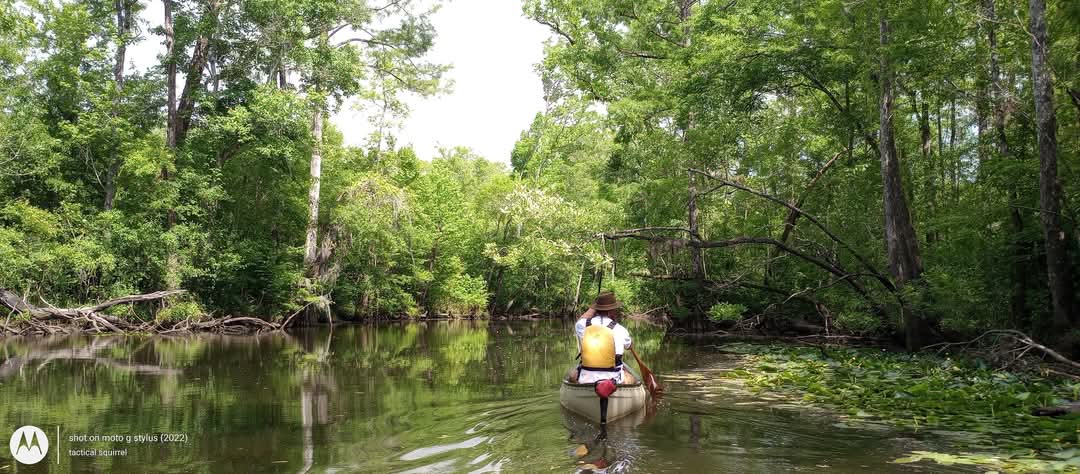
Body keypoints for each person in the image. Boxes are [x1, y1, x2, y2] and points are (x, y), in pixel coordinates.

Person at [567, 291, 635, 384]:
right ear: (612, 311)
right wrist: (631, 341)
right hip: (614, 380)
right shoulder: (621, 329)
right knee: (631, 378)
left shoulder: (583, 325)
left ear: (596, 309)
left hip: (585, 379)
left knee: (572, 374)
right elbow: (629, 346)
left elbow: (581, 320)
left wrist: (594, 307)